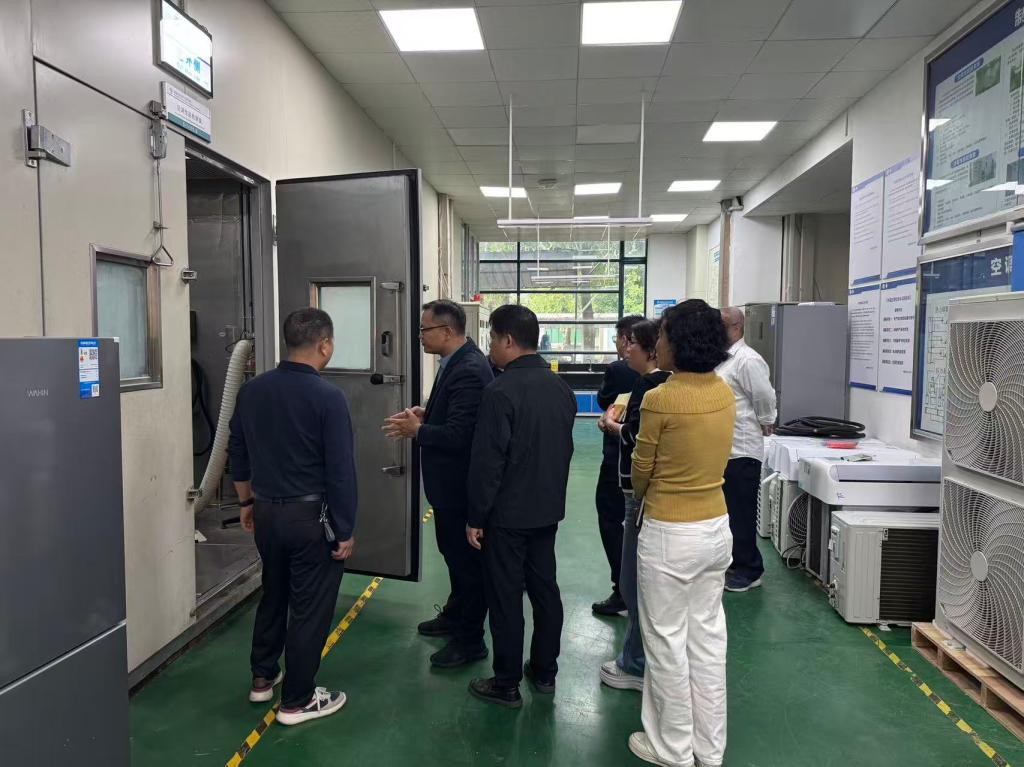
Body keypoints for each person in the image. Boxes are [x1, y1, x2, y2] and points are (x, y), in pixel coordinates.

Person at [228, 308, 357, 726]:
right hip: (311, 519)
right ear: (325, 345)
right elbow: (340, 470)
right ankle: (298, 700)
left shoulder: (253, 390)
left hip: (266, 513)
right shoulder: (328, 397)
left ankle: (262, 677)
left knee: (274, 592)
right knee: (309, 608)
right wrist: (345, 529)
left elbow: (237, 452)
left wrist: (246, 504)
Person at [629, 299, 735, 767]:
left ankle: (671, 747)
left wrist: (641, 492)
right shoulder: (723, 392)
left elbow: (642, 467)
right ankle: (709, 750)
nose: (658, 342)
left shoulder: (661, 398)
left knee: (666, 641)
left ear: (678, 342)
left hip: (670, 533)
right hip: (716, 528)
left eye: (662, 334)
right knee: (707, 641)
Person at [464, 305, 577, 708]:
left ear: (508, 340)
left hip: (507, 516)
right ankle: (545, 670)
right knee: (545, 589)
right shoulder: (560, 389)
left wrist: (476, 516)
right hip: (546, 510)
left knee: (506, 597)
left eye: (492, 338)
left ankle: (506, 682)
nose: (490, 347)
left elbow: (488, 463)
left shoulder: (500, 392)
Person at [383, 300, 493, 668]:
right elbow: (456, 416)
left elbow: (462, 435)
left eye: (424, 329)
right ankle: (455, 614)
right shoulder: (455, 362)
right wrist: (427, 415)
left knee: (468, 565)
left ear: (446, 331)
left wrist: (418, 430)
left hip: (460, 489)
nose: (419, 336)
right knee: (453, 556)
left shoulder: (470, 369)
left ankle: (471, 640)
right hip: (448, 488)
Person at [597, 319, 670, 692]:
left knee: (634, 580)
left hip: (638, 494)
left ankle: (636, 664)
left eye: (632, 345)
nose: (626, 350)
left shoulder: (650, 388)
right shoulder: (702, 390)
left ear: (652, 349)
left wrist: (613, 424)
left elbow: (639, 439)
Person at [717, 307, 777, 593]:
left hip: (742, 448)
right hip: (726, 449)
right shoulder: (724, 359)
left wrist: (767, 421)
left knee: (741, 512)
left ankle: (750, 570)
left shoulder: (747, 359)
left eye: (722, 325)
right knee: (729, 512)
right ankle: (735, 563)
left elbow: (764, 395)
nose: (717, 330)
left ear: (737, 327)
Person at [592, 314, 644, 616]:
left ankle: (622, 589)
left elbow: (604, 401)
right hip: (647, 464)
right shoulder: (666, 378)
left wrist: (612, 423)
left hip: (618, 458)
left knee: (610, 518)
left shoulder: (618, 370)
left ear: (627, 340)